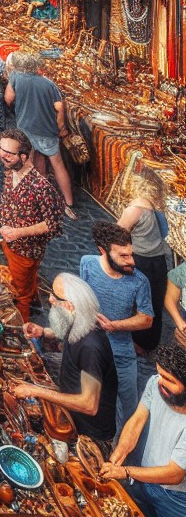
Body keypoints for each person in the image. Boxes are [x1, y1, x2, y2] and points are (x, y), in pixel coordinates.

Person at [12, 272, 118, 451]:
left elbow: (89, 404)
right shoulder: (82, 320)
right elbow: (68, 328)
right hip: (72, 413)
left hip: (88, 434)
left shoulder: (91, 348)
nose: (50, 299)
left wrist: (35, 391)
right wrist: (44, 332)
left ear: (69, 306)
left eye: (55, 296)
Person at [99, 342, 186, 517]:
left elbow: (175, 474)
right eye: (160, 375)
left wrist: (126, 471)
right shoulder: (156, 383)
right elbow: (137, 421)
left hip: (177, 497)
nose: (161, 384)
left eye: (170, 381)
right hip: (146, 479)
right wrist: (119, 453)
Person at [0, 128, 64, 324]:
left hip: (26, 251)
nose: (2, 156)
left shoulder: (41, 187)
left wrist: (18, 232)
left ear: (24, 155)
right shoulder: (10, 172)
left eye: (9, 154)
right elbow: (6, 207)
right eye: (1, 150)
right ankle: (34, 298)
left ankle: (23, 330)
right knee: (25, 284)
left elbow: (53, 224)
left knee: (18, 294)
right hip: (10, 244)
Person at [81, 221, 153, 428]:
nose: (132, 261)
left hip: (121, 354)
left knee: (129, 409)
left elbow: (146, 319)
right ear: (103, 251)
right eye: (123, 256)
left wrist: (114, 326)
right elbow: (83, 295)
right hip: (92, 347)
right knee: (89, 398)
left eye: (131, 254)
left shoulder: (140, 281)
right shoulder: (87, 263)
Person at [5, 52, 76, 218]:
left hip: (26, 129)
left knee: (27, 164)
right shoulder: (49, 84)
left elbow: (8, 98)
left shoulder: (16, 78)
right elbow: (59, 108)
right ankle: (69, 202)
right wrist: (61, 128)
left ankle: (25, 200)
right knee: (58, 165)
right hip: (47, 131)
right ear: (37, 67)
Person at [116, 166, 169, 353]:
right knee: (154, 301)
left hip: (140, 260)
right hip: (158, 260)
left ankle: (136, 341)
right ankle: (149, 343)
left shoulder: (134, 209)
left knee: (138, 301)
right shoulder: (156, 207)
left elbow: (118, 235)